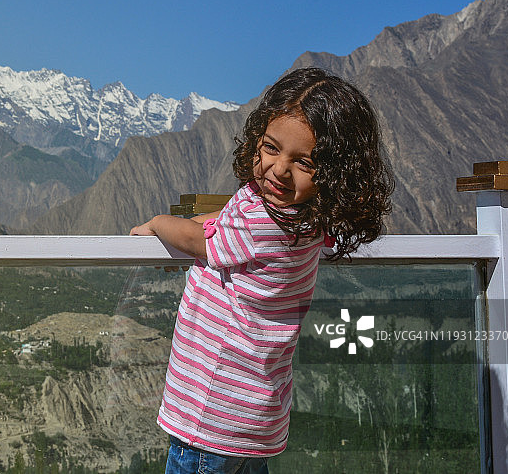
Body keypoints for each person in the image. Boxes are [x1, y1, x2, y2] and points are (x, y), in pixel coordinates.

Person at [129, 67, 394, 474]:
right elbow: (231, 219)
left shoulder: (264, 223)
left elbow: (207, 240)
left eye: (303, 162)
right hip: (254, 420)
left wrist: (159, 224)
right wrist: (209, 220)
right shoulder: (306, 222)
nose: (279, 168)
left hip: (211, 415)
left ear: (333, 172)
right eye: (271, 148)